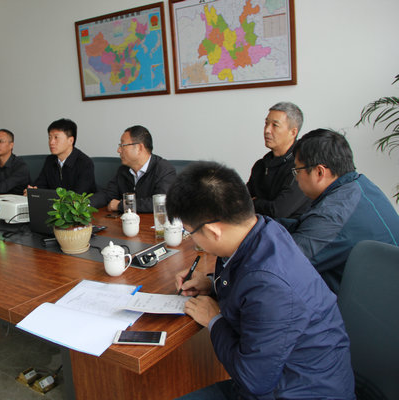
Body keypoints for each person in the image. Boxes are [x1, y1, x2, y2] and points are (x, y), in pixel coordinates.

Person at [167, 161, 354, 400]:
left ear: (214, 231)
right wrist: (212, 283)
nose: (192, 239)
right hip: (283, 375)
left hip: (297, 391)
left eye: (190, 232)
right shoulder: (263, 229)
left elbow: (253, 380)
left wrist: (214, 319)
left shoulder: (270, 284)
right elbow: (246, 277)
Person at [278, 128, 399, 293]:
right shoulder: (358, 186)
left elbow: (284, 265)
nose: (296, 178)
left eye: (297, 170)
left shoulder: (334, 213)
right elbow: (308, 227)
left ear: (319, 172)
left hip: (366, 302)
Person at [90, 125, 176, 213]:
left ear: (139, 148)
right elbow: (107, 194)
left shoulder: (164, 169)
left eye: (123, 145)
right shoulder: (123, 170)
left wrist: (122, 205)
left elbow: (160, 203)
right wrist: (85, 204)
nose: (118, 150)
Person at [246, 102, 310, 218]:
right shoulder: (261, 165)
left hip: (288, 228)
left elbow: (279, 211)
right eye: (266, 124)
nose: (267, 130)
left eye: (275, 125)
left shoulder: (301, 166)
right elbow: (240, 201)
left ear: (293, 132)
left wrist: (255, 202)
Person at [29, 118, 96, 194]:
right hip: (53, 201)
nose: (51, 142)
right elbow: (40, 184)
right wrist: (32, 191)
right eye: (49, 137)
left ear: (70, 140)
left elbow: (79, 195)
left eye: (56, 137)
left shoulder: (85, 163)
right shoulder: (50, 160)